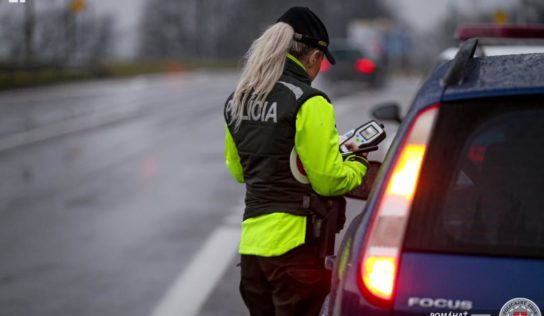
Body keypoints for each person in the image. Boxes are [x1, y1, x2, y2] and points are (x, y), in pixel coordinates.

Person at [224, 7, 368, 316]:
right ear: (315, 56)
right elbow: (328, 180)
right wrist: (357, 164)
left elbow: (239, 171)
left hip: (252, 253)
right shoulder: (309, 101)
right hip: (296, 251)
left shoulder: (239, 98)